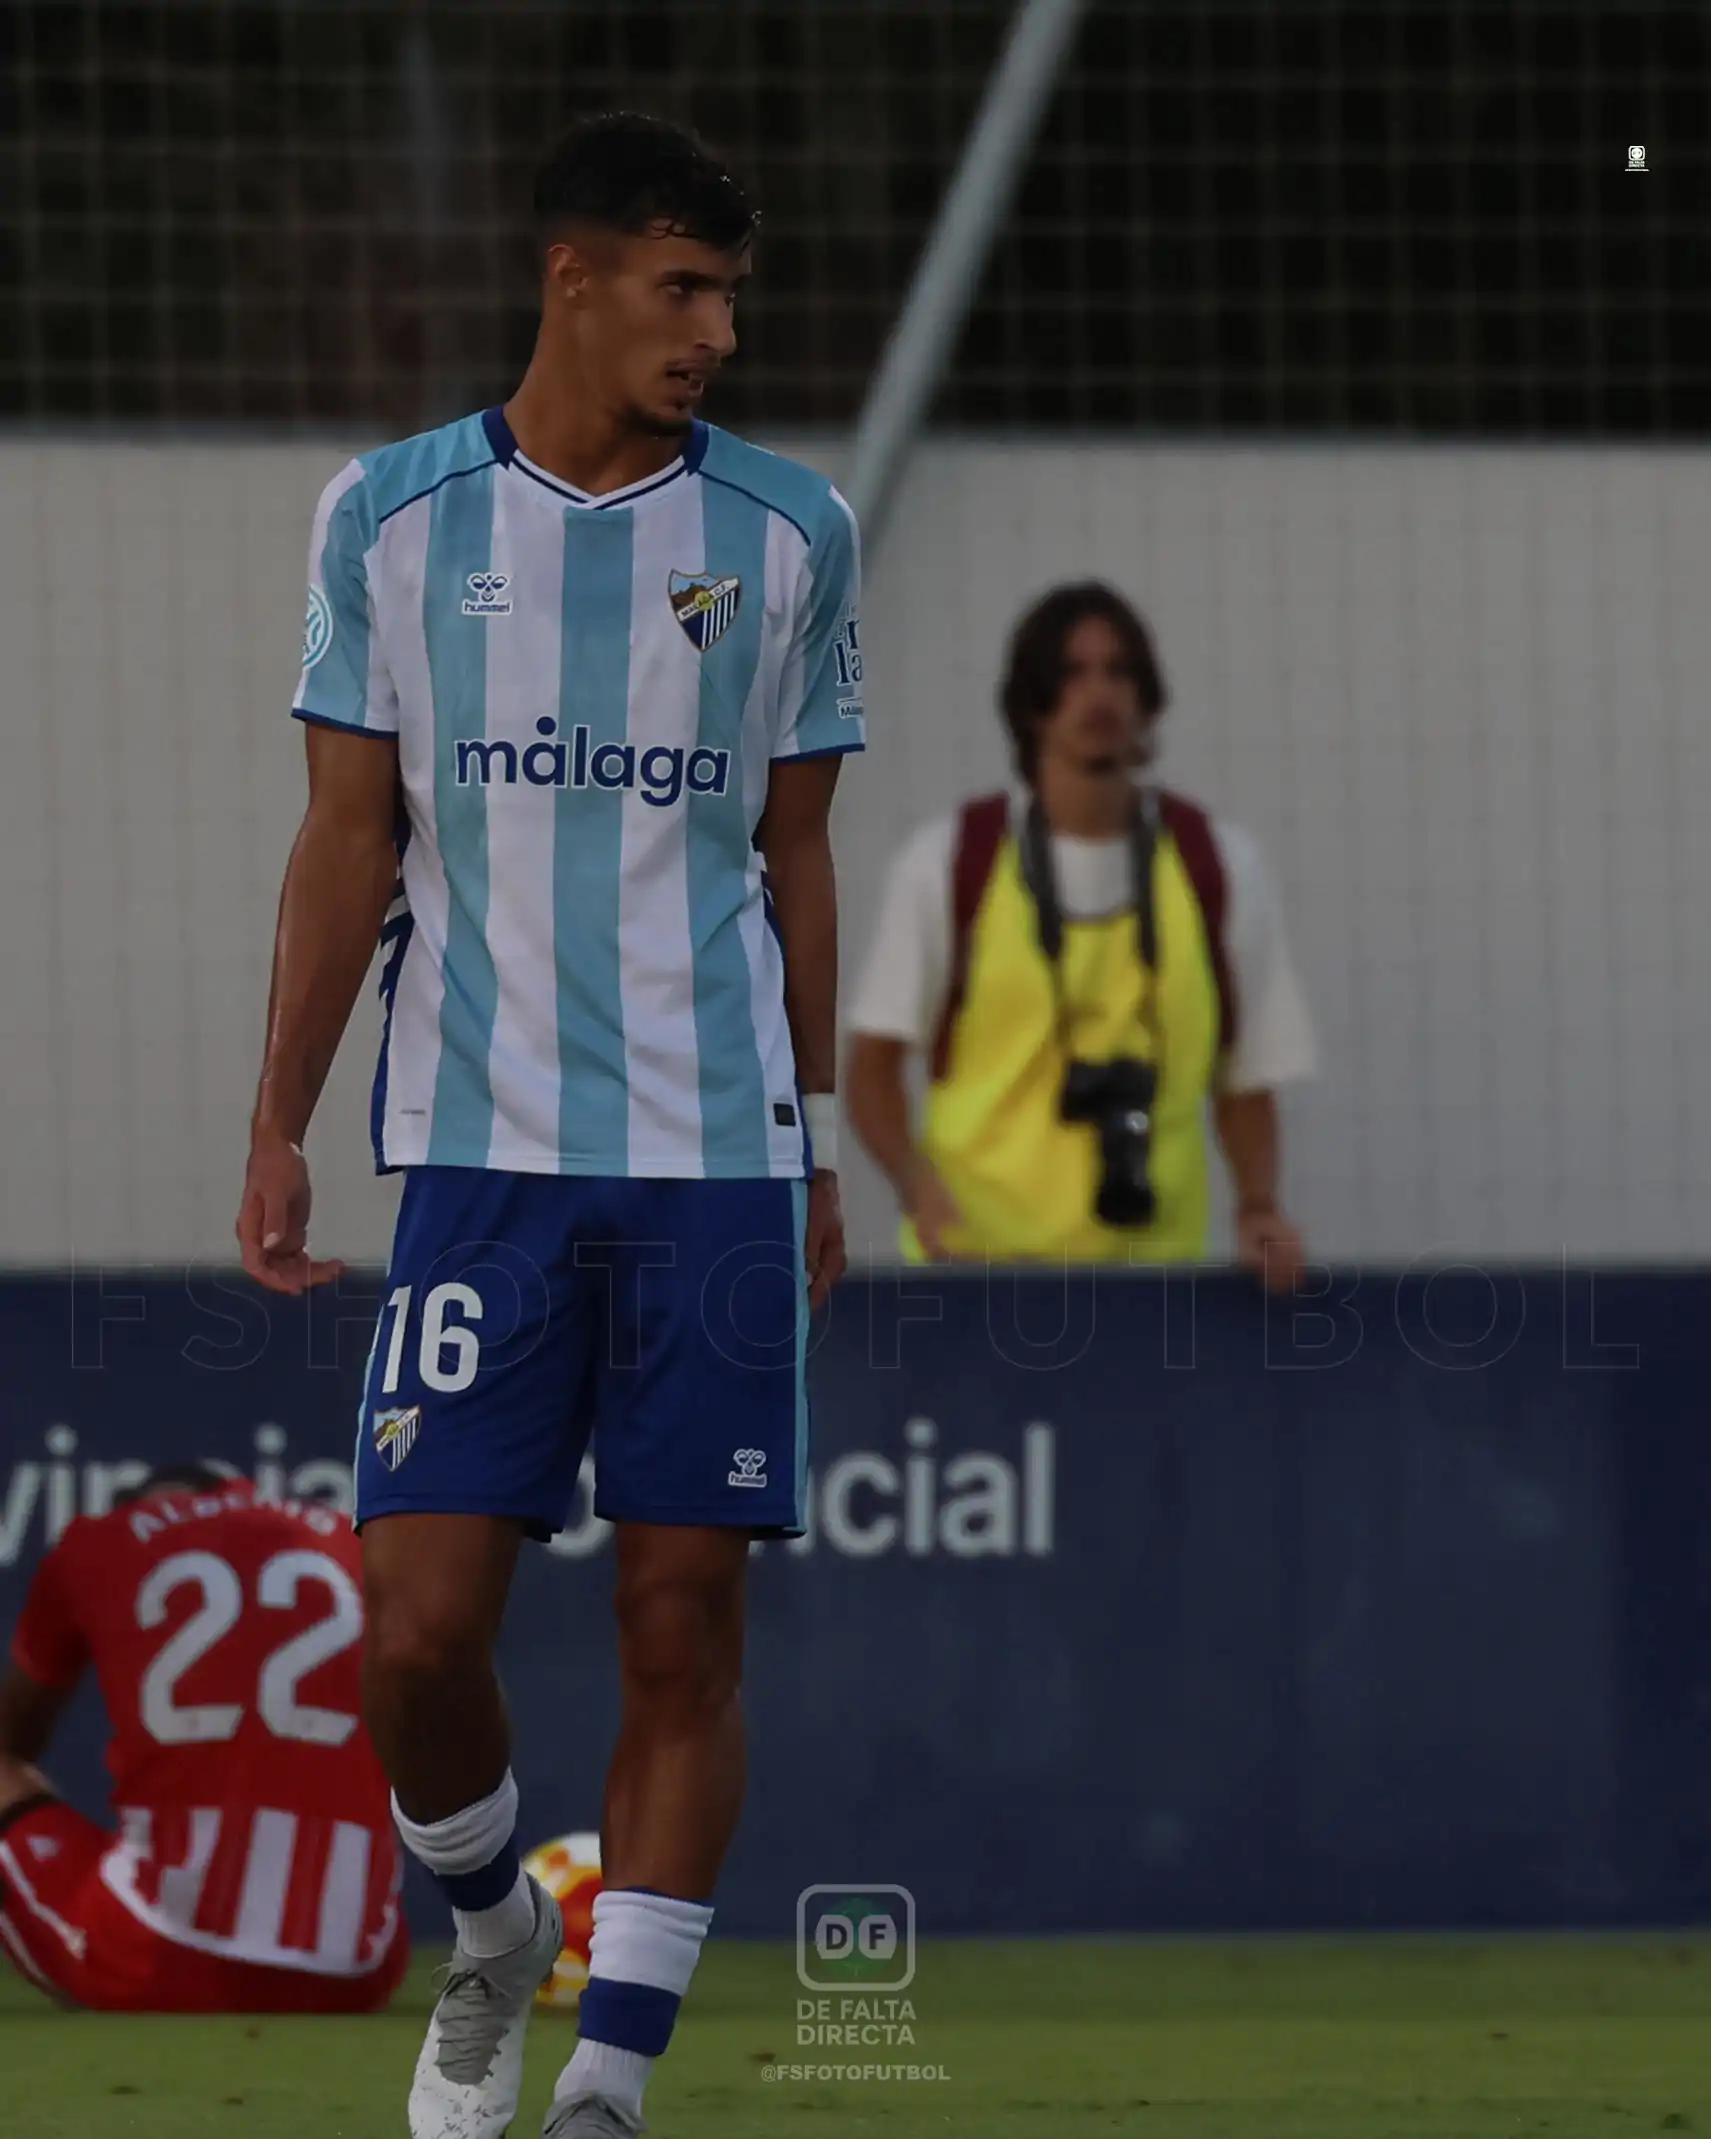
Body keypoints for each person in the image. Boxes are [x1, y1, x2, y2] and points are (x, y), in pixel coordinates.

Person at [235, 113, 861, 2139]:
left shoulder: (787, 534)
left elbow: (801, 860)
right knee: (414, 1639)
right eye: (683, 285)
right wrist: (279, 1118)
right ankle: (494, 1921)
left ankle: (604, 2082)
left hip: (716, 1158)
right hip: (481, 1152)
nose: (718, 330)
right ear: (571, 277)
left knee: (683, 1614)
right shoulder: (394, 517)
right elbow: (343, 844)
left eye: (730, 291)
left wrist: (821, 1132)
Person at [847, 581, 1312, 1279]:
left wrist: (1257, 1205)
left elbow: (1245, 1078)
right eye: (1070, 672)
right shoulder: (949, 863)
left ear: (1146, 695)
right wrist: (918, 1190)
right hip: (976, 1283)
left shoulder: (1215, 865)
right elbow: (871, 1068)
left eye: (1119, 671)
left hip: (1155, 1287)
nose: (1098, 694)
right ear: (1030, 702)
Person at [0, 1465, 407, 2013]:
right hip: (362, 1969)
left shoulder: (97, 1542)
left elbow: (13, 1738)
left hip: (156, 1956)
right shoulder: (354, 1541)